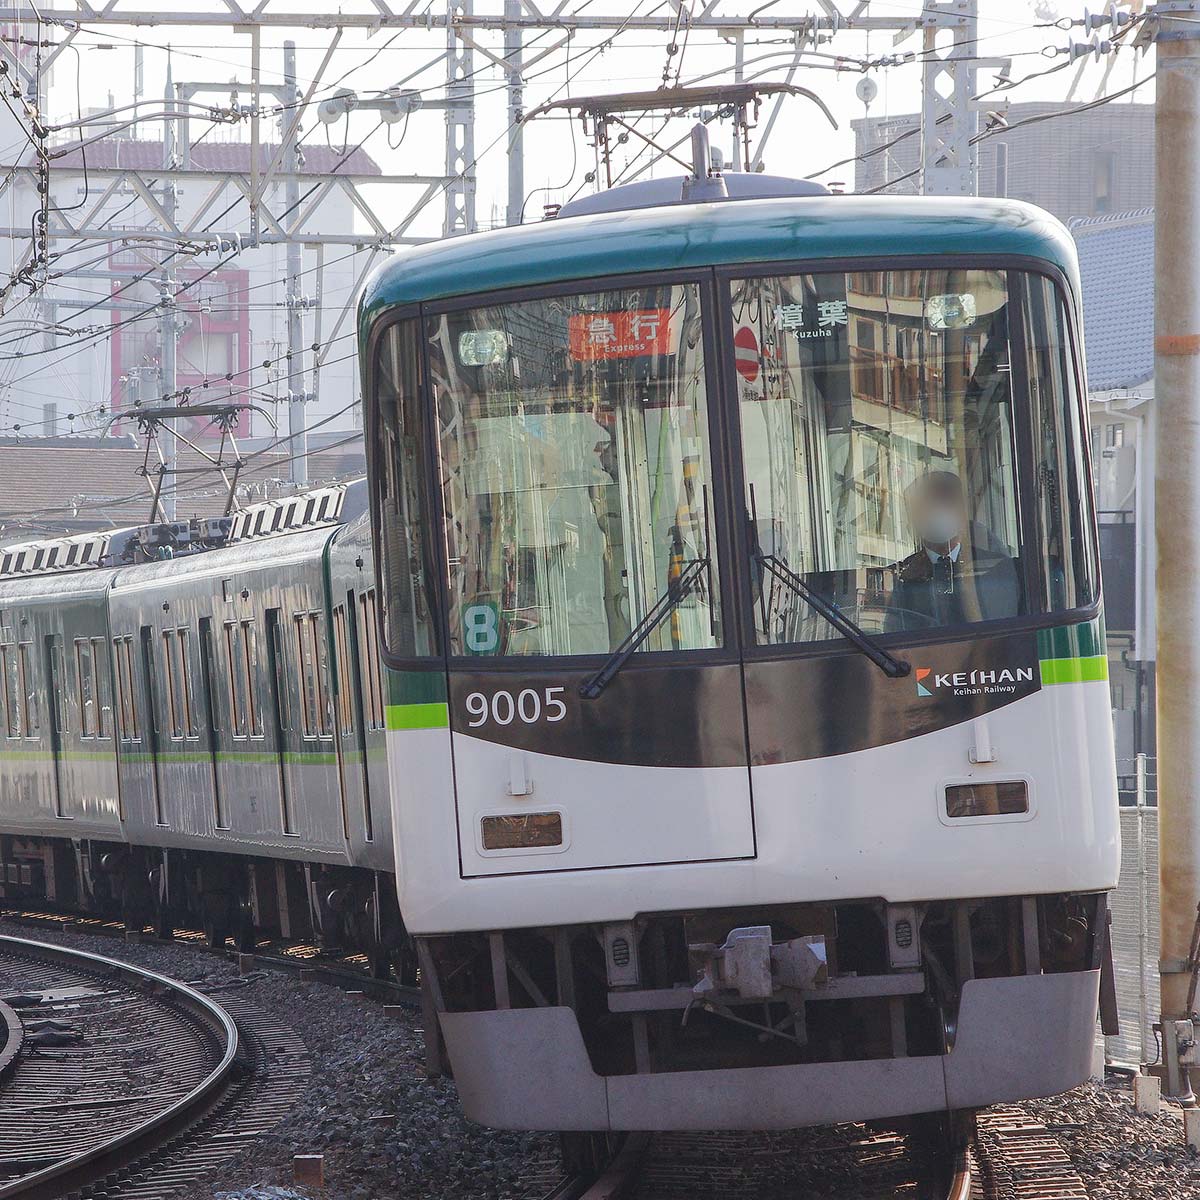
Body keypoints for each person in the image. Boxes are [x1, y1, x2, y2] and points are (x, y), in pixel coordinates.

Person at [885, 470, 1021, 631]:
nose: (936, 514)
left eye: (944, 504)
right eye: (925, 508)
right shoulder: (901, 576)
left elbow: (1007, 629)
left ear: (962, 512)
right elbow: (894, 630)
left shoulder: (997, 567)